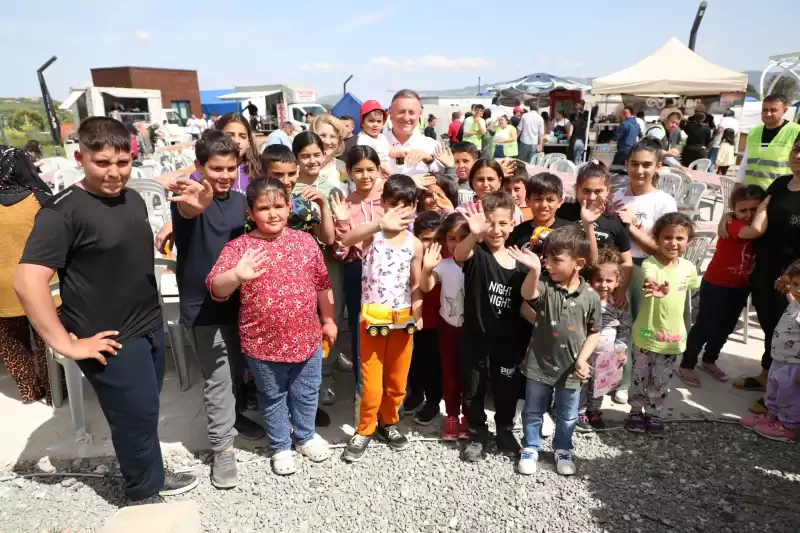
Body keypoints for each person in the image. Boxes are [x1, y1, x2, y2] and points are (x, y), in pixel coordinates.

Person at [13, 117, 197, 503]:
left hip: (148, 322)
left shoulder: (131, 197)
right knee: (132, 417)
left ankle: (152, 475)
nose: (114, 173)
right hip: (109, 337)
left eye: (123, 163)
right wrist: (66, 344)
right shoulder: (61, 213)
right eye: (103, 163)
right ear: (80, 157)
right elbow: (28, 283)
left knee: (145, 410)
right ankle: (142, 495)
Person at [207, 177, 335, 475]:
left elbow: (322, 284)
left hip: (307, 338)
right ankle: (280, 445)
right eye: (264, 208)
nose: (273, 213)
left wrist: (328, 320)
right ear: (251, 213)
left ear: (290, 207)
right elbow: (216, 288)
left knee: (307, 391)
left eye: (279, 206)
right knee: (272, 396)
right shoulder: (240, 247)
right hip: (262, 343)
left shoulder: (305, 242)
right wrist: (236, 275)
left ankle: (304, 436)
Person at [167, 130, 266, 489]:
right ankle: (222, 449)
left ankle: (235, 417)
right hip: (202, 306)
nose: (223, 175)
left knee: (239, 369)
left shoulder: (242, 201)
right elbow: (188, 209)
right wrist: (197, 202)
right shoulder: (190, 197)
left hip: (243, 302)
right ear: (199, 167)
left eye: (230, 168)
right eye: (215, 168)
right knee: (218, 379)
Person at [339, 175, 423, 463]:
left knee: (398, 379)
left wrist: (419, 310)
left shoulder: (415, 243)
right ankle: (365, 428)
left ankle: (389, 423)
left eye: (406, 205)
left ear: (414, 206)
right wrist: (378, 223)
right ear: (382, 203)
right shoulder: (371, 235)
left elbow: (416, 283)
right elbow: (345, 239)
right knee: (371, 380)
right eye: (392, 204)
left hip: (402, 320)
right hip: (372, 319)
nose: (399, 210)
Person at [514, 224, 602, 475]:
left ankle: (563, 448)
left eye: (556, 260)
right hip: (539, 364)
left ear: (578, 263)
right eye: (546, 259)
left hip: (571, 371)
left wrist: (583, 360)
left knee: (568, 415)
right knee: (533, 410)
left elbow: (594, 332)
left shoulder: (591, 297)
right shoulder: (545, 287)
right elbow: (527, 292)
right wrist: (534, 270)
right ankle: (530, 446)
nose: (549, 265)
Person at [727, 136, 800, 414]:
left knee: (790, 333)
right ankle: (767, 373)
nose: (798, 155)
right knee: (770, 324)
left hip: (792, 276)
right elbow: (753, 211)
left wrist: (792, 275)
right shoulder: (781, 184)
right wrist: (727, 216)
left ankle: (780, 395)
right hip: (765, 266)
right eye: (796, 149)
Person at [455, 193, 528, 461]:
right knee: (473, 388)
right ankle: (477, 432)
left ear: (512, 224)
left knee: (505, 388)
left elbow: (527, 301)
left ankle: (505, 429)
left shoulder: (520, 261)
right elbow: (459, 254)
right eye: (489, 223)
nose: (495, 230)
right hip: (475, 338)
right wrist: (473, 234)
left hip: (508, 341)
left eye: (502, 223)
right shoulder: (478, 253)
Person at [678, 186, 768, 387]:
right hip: (717, 285)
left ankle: (709, 360)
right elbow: (755, 230)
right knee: (704, 327)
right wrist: (764, 206)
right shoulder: (733, 225)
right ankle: (687, 364)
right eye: (742, 210)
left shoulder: (750, 222)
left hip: (741, 287)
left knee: (725, 328)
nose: (749, 215)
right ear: (734, 211)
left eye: (754, 209)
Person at [611, 139, 677, 403]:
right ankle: (609, 376)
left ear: (658, 166)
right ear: (626, 165)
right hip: (615, 267)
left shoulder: (663, 201)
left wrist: (631, 228)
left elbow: (664, 249)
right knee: (614, 325)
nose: (639, 170)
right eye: (634, 164)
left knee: (637, 327)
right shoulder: (616, 196)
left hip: (645, 269)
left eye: (646, 165)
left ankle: (629, 382)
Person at [626, 213, 699, 435]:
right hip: (645, 337)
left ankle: (654, 413)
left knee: (660, 381)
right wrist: (655, 286)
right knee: (639, 379)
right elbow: (649, 277)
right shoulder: (650, 264)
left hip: (673, 341)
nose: (673, 243)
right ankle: (635, 411)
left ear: (689, 241)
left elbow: (692, 290)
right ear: (656, 239)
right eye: (667, 237)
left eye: (679, 238)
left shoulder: (689, 268)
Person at [291, 131, 344, 421]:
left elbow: (336, 230)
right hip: (295, 268)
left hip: (327, 261)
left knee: (328, 318)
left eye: (316, 154)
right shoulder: (288, 185)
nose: (312, 160)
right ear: (296, 158)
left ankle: (326, 376)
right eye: (305, 155)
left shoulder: (334, 186)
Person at [330, 146, 385, 420]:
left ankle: (387, 392)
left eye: (370, 169)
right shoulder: (345, 204)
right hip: (357, 272)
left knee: (389, 328)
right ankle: (363, 395)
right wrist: (341, 222)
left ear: (379, 169)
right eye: (358, 170)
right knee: (360, 330)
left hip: (389, 272)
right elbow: (340, 251)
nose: (365, 176)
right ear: (349, 172)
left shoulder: (390, 196)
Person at [0, 146, 55, 404]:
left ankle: (28, 390)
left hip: (3, 290)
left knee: (12, 343)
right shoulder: (41, 199)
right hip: (42, 285)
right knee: (48, 338)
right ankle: (55, 388)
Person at [419, 212, 470, 440]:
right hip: (448, 329)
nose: (457, 244)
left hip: (473, 331)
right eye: (451, 238)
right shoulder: (445, 265)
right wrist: (428, 268)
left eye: (463, 237)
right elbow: (428, 286)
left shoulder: (479, 262)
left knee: (470, 376)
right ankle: (451, 416)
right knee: (449, 375)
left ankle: (469, 416)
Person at [740, 259, 800, 442]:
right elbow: (793, 307)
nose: (798, 290)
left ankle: (788, 427)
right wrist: (788, 292)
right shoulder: (797, 302)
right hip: (780, 359)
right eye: (796, 284)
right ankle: (771, 417)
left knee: (789, 397)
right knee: (774, 391)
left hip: (795, 365)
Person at [556, 161, 634, 302]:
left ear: (608, 190)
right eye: (586, 191)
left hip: (601, 293)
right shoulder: (562, 213)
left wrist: (620, 290)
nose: (592, 197)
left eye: (598, 191)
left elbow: (627, 261)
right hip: (565, 289)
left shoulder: (613, 220)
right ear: (576, 188)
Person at [575, 247, 630, 431]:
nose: (603, 285)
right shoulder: (585, 299)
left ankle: (594, 410)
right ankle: (580, 411)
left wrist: (620, 348)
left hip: (607, 353)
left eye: (609, 280)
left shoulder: (619, 304)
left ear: (617, 281)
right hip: (585, 350)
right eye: (599, 280)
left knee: (600, 384)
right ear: (591, 280)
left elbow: (623, 327)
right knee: (582, 381)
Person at [403, 211, 444, 424]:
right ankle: (416, 393)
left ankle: (433, 400)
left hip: (437, 321)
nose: (432, 244)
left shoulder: (447, 259)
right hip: (413, 316)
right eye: (426, 239)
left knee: (433, 362)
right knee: (414, 360)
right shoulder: (409, 256)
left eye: (438, 239)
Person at [736, 94, 800, 191]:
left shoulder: (796, 131)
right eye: (765, 110)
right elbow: (745, 162)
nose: (768, 114)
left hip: (779, 193)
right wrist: (737, 185)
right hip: (751, 193)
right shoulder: (754, 132)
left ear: (785, 111)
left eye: (773, 110)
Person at [385, 89, 445, 176]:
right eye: (401, 112)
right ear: (390, 111)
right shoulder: (376, 144)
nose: (406, 118)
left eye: (411, 113)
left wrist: (429, 160)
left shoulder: (434, 147)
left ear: (420, 113)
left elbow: (445, 178)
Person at [506, 172, 571, 251]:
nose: (543, 205)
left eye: (550, 200)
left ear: (560, 202)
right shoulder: (517, 233)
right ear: (528, 201)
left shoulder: (569, 232)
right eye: (538, 199)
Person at [357, 100, 394, 176]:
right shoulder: (363, 139)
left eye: (379, 121)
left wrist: (401, 153)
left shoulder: (382, 137)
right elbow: (367, 159)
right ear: (362, 123)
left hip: (386, 170)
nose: (375, 124)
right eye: (371, 121)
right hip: (373, 174)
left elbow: (390, 151)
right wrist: (382, 166)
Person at [568, 100, 589, 164]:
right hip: (580, 139)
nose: (575, 106)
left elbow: (570, 133)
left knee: (575, 158)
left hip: (577, 139)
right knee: (578, 159)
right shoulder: (572, 114)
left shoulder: (588, 113)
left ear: (582, 105)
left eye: (577, 105)